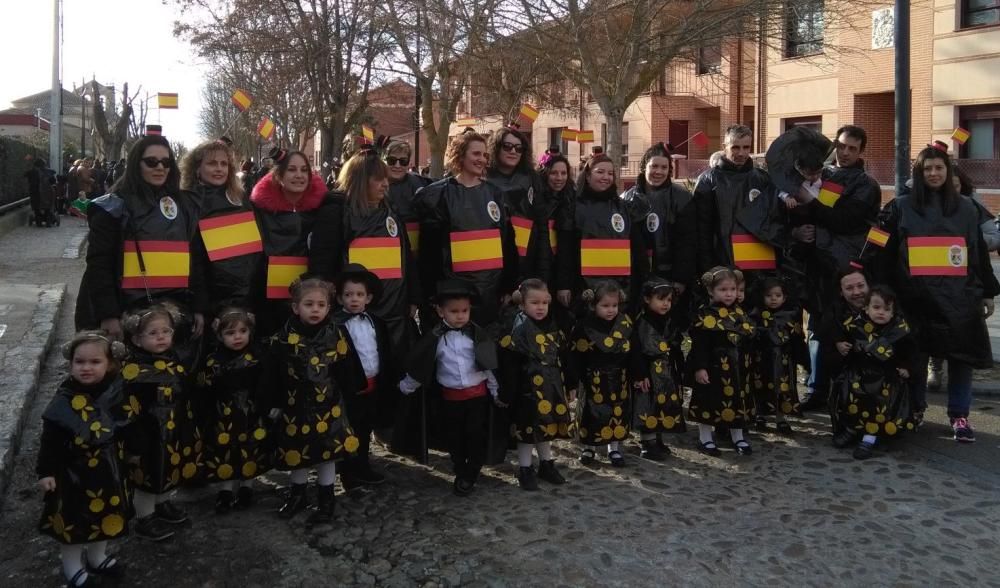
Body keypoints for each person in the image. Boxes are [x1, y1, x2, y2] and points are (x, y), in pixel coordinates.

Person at [879, 146, 1000, 443]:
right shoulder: (900, 206)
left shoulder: (968, 208)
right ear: (919, 173)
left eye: (939, 168)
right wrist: (877, 284)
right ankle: (917, 409)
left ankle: (959, 414)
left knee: (962, 357)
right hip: (914, 297)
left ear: (948, 172)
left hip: (960, 298)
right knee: (917, 357)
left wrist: (987, 292)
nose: (933, 173)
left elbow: (978, 253)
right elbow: (881, 245)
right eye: (927, 168)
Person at [76, 132, 208, 354]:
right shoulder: (113, 206)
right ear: (137, 164)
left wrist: (199, 307)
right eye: (151, 161)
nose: (160, 167)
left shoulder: (183, 205)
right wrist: (108, 314)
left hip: (173, 316)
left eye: (166, 162)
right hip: (126, 313)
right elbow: (99, 265)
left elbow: (194, 260)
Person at [788, 125, 882, 410]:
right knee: (817, 327)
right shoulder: (820, 174)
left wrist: (810, 203)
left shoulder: (866, 185)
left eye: (852, 148)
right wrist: (797, 231)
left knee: (848, 330)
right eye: (841, 146)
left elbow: (845, 220)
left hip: (846, 269)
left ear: (861, 151)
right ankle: (817, 391)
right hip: (816, 264)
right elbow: (797, 212)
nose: (845, 152)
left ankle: (847, 392)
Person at [259, 277, 364, 523]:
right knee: (298, 452)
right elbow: (272, 374)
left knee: (327, 452)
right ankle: (298, 494)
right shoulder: (282, 339)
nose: (315, 309)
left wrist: (353, 393)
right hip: (296, 407)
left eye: (321, 304)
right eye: (308, 304)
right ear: (296, 307)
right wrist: (270, 403)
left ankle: (326, 498)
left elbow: (347, 366)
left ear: (329, 307)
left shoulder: (336, 333)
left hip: (329, 406)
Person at [37, 332, 131, 587]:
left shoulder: (114, 391)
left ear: (109, 364)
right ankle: (72, 565)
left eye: (95, 362)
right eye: (80, 362)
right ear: (71, 364)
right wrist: (46, 472)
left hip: (107, 469)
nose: (86, 368)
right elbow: (50, 441)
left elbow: (125, 424)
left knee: (106, 513)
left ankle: (97, 556)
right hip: (72, 475)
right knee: (74, 520)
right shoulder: (64, 400)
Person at [399, 280, 500, 496]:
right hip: (451, 399)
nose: (460, 316)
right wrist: (408, 385)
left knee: (475, 435)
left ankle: (470, 472)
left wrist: (495, 389)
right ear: (440, 311)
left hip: (477, 397)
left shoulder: (477, 335)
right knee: (454, 437)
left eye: (464, 310)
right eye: (454, 311)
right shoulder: (435, 338)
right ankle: (460, 467)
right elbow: (423, 364)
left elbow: (488, 364)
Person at [414, 131, 518, 327]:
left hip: (490, 294)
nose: (482, 159)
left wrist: (507, 286)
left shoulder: (495, 194)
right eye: (476, 154)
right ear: (460, 155)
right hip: (453, 294)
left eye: (485, 155)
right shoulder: (437, 196)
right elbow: (429, 253)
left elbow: (507, 243)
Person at [119, 304, 197, 541]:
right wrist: (134, 441)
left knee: (167, 468)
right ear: (137, 339)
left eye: (166, 331)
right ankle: (145, 517)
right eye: (153, 333)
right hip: (148, 433)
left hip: (171, 429)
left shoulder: (173, 359)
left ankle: (163, 503)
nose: (161, 337)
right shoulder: (134, 371)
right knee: (148, 476)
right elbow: (129, 410)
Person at [250, 149, 345, 337]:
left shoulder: (327, 208)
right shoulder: (257, 210)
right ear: (279, 176)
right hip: (269, 300)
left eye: (304, 170)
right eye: (292, 170)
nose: (299, 175)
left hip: (311, 300)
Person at [498, 279, 575, 490]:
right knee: (527, 431)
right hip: (528, 391)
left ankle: (546, 464)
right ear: (522, 304)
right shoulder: (518, 329)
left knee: (546, 427)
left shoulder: (553, 325)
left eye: (544, 302)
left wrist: (571, 383)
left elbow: (564, 355)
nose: (540, 307)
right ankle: (525, 468)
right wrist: (508, 394)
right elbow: (510, 365)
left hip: (551, 387)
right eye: (534, 302)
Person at [555, 154, 650, 315]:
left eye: (610, 173)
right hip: (583, 288)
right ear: (588, 175)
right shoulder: (572, 206)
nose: (606, 177)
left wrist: (645, 280)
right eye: (600, 172)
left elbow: (637, 247)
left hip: (621, 289)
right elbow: (565, 249)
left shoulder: (623, 207)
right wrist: (563, 284)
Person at [197, 307, 270, 513]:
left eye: (242, 332)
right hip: (224, 415)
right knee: (224, 451)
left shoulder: (257, 358)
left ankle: (247, 487)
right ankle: (225, 490)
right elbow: (205, 390)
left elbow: (265, 385)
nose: (237, 337)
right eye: (230, 333)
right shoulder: (213, 361)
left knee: (251, 448)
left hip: (250, 413)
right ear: (220, 336)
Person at [832, 286, 916, 459]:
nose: (881, 313)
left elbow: (909, 351)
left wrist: (906, 367)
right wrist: (840, 345)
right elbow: (841, 337)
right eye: (876, 308)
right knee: (849, 399)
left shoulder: (899, 330)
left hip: (886, 377)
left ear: (893, 313)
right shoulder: (854, 324)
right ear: (866, 308)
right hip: (858, 374)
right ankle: (851, 429)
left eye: (887, 309)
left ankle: (869, 439)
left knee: (878, 405)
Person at [181, 140, 263, 317]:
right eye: (212, 163)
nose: (219, 169)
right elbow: (194, 261)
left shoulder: (241, 200)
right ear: (197, 168)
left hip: (246, 298)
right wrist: (199, 305)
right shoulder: (188, 203)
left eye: (224, 164)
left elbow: (254, 251)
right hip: (211, 300)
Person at [694, 125, 784, 284]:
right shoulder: (708, 180)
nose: (741, 153)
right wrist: (707, 265)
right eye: (735, 147)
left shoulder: (763, 179)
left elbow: (775, 220)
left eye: (746, 147)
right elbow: (701, 228)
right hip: (721, 260)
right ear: (724, 147)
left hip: (759, 261)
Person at [332, 264, 392, 489]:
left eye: (359, 295)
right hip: (349, 389)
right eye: (348, 295)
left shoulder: (376, 323)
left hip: (372, 384)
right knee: (350, 430)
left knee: (365, 428)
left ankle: (363, 465)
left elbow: (383, 351)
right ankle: (349, 471)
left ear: (368, 298)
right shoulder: (335, 326)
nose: (354, 299)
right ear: (339, 299)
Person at [687, 267, 756, 456]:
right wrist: (700, 368)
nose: (729, 294)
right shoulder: (705, 315)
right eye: (723, 290)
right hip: (713, 367)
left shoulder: (740, 313)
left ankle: (738, 436)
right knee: (708, 401)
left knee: (737, 401)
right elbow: (699, 346)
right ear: (711, 291)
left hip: (736, 368)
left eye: (733, 289)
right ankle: (705, 438)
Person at [568, 280, 633, 467]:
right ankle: (589, 447)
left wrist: (638, 374)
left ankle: (614, 448)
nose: (611, 310)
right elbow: (574, 355)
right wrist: (573, 381)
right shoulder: (583, 327)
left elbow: (633, 351)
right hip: (593, 379)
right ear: (593, 305)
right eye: (605, 306)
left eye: (614, 305)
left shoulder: (625, 324)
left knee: (617, 412)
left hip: (618, 378)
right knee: (591, 414)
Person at [621, 143, 697, 294]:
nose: (659, 172)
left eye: (664, 168)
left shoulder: (683, 198)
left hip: (670, 275)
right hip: (636, 276)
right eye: (654, 166)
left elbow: (688, 242)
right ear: (644, 167)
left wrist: (680, 278)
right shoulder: (626, 199)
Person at [630, 277, 686, 460]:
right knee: (648, 404)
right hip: (649, 371)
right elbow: (637, 351)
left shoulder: (669, 320)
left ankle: (658, 437)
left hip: (667, 371)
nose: (665, 304)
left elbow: (675, 345)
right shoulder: (641, 322)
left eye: (669, 300)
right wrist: (640, 374)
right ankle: (647, 442)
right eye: (661, 299)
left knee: (663, 403)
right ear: (647, 299)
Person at [486, 127, 548, 281]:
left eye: (519, 148)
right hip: (491, 257)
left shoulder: (532, 178)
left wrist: (542, 271)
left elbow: (541, 224)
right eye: (507, 146)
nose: (513, 151)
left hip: (527, 258)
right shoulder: (482, 177)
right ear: (496, 148)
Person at [749, 277, 807, 433]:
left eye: (777, 295)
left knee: (782, 389)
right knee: (760, 387)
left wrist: (804, 359)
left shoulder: (790, 315)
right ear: (762, 297)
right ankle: (760, 415)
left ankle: (781, 418)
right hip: (762, 361)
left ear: (784, 297)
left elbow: (797, 338)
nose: (773, 299)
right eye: (769, 295)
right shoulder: (756, 314)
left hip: (783, 362)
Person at [384, 141, 431, 262]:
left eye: (403, 161)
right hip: (384, 253)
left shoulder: (422, 184)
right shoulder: (373, 183)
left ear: (409, 163)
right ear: (385, 160)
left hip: (414, 257)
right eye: (392, 160)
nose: (398, 165)